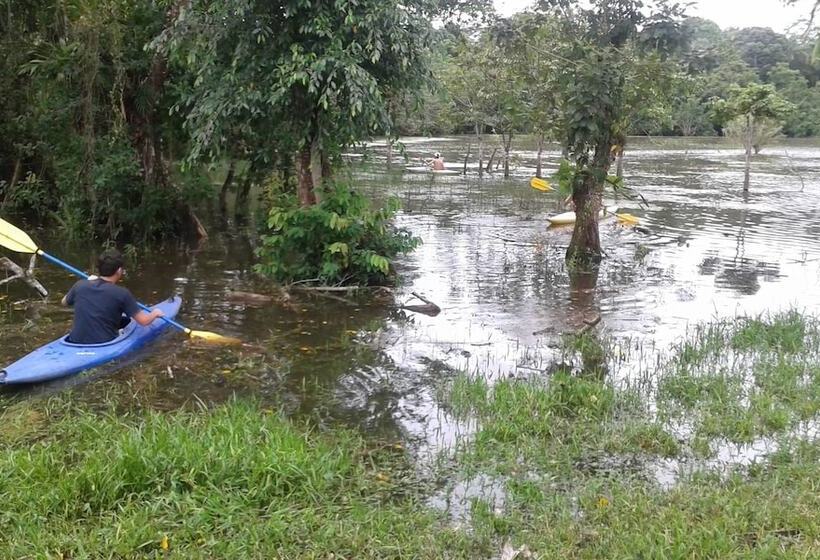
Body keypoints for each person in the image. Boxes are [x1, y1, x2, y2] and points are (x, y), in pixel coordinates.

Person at [61, 249, 164, 344]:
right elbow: (144, 321)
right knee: (126, 322)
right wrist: (155, 313)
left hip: (75, 340)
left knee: (123, 320)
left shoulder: (80, 285)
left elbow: (64, 302)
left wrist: (86, 284)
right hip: (103, 343)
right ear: (119, 270)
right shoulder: (122, 293)